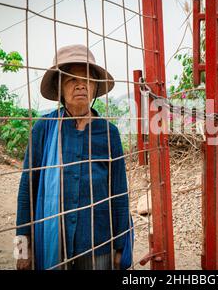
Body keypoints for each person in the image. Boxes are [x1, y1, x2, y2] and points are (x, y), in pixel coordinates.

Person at [15, 44, 131, 270]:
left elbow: (119, 194)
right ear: (59, 88)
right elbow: (26, 191)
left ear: (95, 87)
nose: (80, 85)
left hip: (99, 244)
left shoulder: (109, 134)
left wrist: (121, 248)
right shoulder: (44, 130)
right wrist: (21, 249)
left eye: (87, 79)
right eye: (70, 79)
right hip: (52, 243)